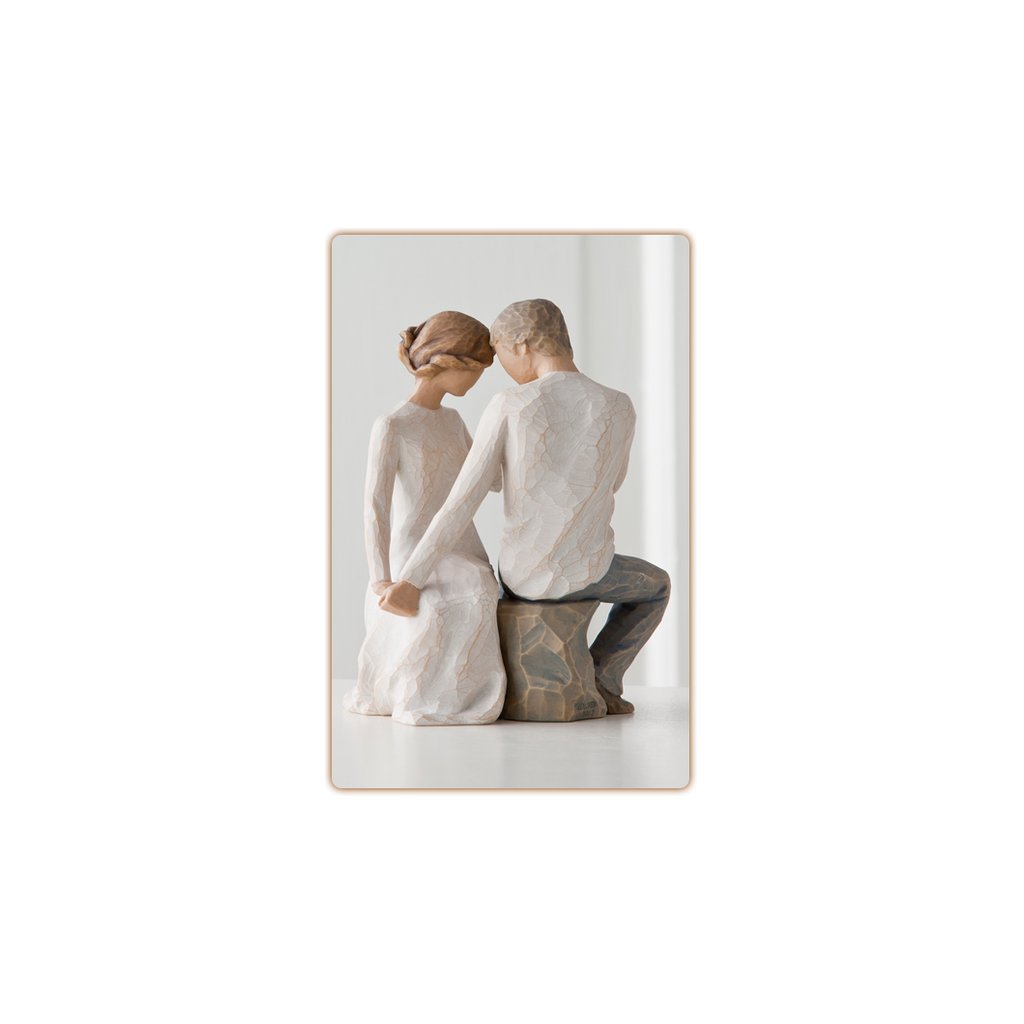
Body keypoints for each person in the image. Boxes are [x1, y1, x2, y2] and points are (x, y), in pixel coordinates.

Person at [379, 298, 670, 714]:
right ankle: (604, 678)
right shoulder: (619, 404)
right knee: (656, 587)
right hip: (592, 570)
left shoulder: (510, 404)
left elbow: (461, 502)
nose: (502, 367)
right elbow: (615, 482)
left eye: (500, 354)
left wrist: (410, 580)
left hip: (524, 576)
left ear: (523, 345)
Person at [343, 311, 506, 726]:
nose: (478, 380)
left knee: (479, 584)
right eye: (476, 370)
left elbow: (490, 481)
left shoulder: (453, 421)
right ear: (450, 363)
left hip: (458, 543)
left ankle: (458, 695)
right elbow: (375, 507)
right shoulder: (393, 425)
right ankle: (420, 696)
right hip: (413, 548)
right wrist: (380, 579)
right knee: (455, 594)